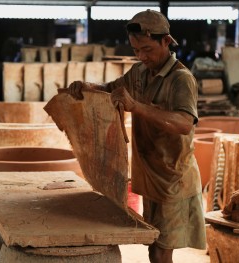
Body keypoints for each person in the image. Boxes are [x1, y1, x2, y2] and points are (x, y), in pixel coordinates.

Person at [66, 9, 206, 263]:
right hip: (150, 175)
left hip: (173, 179)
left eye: (147, 50)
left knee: (163, 251)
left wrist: (137, 107)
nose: (142, 56)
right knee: (153, 246)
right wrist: (87, 87)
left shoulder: (181, 79)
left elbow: (185, 124)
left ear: (166, 41)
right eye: (136, 50)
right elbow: (111, 90)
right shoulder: (139, 72)